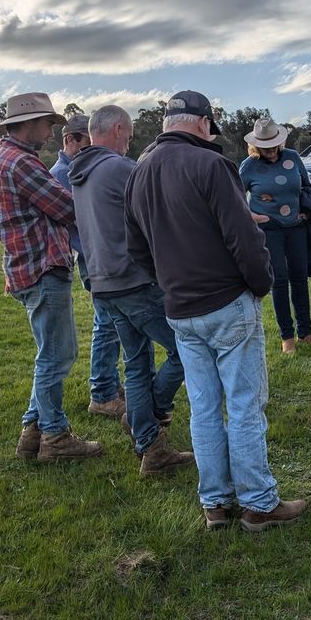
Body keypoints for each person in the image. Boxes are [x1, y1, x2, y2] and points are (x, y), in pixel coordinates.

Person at [125, 91, 308, 532]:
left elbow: (136, 249)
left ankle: (215, 504)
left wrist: (171, 282)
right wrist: (261, 284)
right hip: (226, 303)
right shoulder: (212, 165)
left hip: (180, 309)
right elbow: (244, 237)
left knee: (204, 407)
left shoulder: (139, 171)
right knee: (244, 405)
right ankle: (259, 503)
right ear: (204, 124)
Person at [68, 105, 194, 477]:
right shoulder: (118, 167)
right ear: (118, 128)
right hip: (134, 281)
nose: (130, 140)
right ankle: (145, 416)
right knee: (185, 348)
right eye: (130, 132)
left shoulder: (80, 173)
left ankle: (151, 449)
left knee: (136, 364)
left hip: (104, 284)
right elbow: (165, 206)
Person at [0, 92, 103, 462]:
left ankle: (32, 432)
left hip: (27, 266)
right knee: (57, 354)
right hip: (42, 266)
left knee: (50, 353)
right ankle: (55, 437)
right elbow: (65, 206)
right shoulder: (22, 163)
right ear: (28, 123)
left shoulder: (8, 159)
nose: (51, 132)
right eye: (46, 124)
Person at [49, 114, 124, 419]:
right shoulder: (62, 174)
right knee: (107, 324)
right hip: (91, 257)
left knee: (111, 323)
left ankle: (109, 383)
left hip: (95, 256)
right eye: (87, 142)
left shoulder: (73, 169)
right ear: (72, 140)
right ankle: (103, 394)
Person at [239, 117, 311, 354]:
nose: (272, 151)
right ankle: (287, 337)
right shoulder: (249, 166)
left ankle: (305, 333)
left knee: (300, 277)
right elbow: (234, 197)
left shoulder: (293, 158)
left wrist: (306, 210)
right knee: (280, 280)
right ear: (257, 146)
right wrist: (254, 217)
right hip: (269, 229)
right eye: (266, 147)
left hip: (296, 226)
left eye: (274, 145)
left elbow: (306, 186)